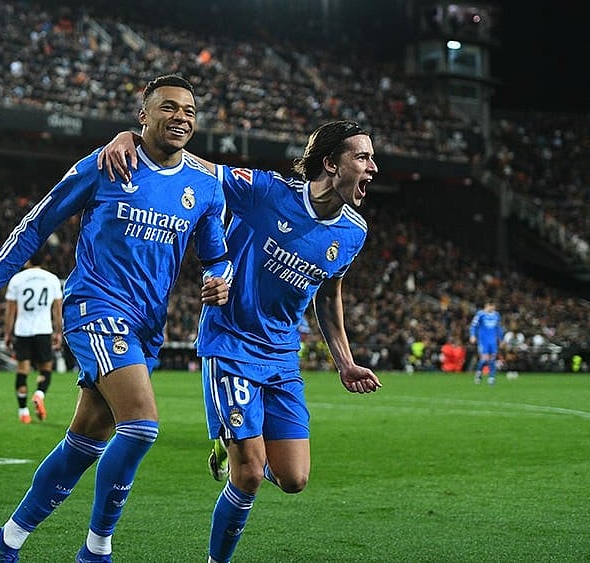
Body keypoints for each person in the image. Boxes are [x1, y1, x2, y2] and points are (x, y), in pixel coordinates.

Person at [0, 74, 233, 563]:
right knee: (142, 426)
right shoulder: (108, 164)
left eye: (189, 111)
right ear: (142, 116)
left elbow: (216, 256)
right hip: (95, 308)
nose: (181, 118)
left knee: (85, 441)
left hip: (147, 326)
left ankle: (7, 541)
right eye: (168, 108)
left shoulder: (205, 186)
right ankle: (96, 550)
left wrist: (221, 278)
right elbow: (37, 222)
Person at [99, 118, 383, 563]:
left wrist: (345, 361)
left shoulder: (354, 232)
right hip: (230, 344)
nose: (373, 168)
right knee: (249, 473)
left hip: (282, 357)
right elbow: (199, 167)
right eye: (363, 157)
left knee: (293, 479)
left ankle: (230, 444)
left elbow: (329, 295)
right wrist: (134, 140)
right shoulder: (267, 192)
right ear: (330, 163)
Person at [4, 251, 64, 424]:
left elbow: (10, 310)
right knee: (46, 368)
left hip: (22, 330)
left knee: (23, 370)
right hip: (43, 330)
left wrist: (8, 333)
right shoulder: (52, 279)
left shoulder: (17, 279)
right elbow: (57, 309)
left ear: (28, 260)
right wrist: (58, 332)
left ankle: (23, 412)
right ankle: (39, 394)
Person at [469, 300, 503, 384]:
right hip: (483, 341)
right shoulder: (480, 314)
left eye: (493, 306)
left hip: (493, 341)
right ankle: (479, 373)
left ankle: (491, 377)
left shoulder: (496, 315)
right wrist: (472, 335)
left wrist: (501, 339)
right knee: (484, 359)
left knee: (492, 359)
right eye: (491, 306)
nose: (493, 307)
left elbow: (498, 328)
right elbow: (473, 325)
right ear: (487, 305)